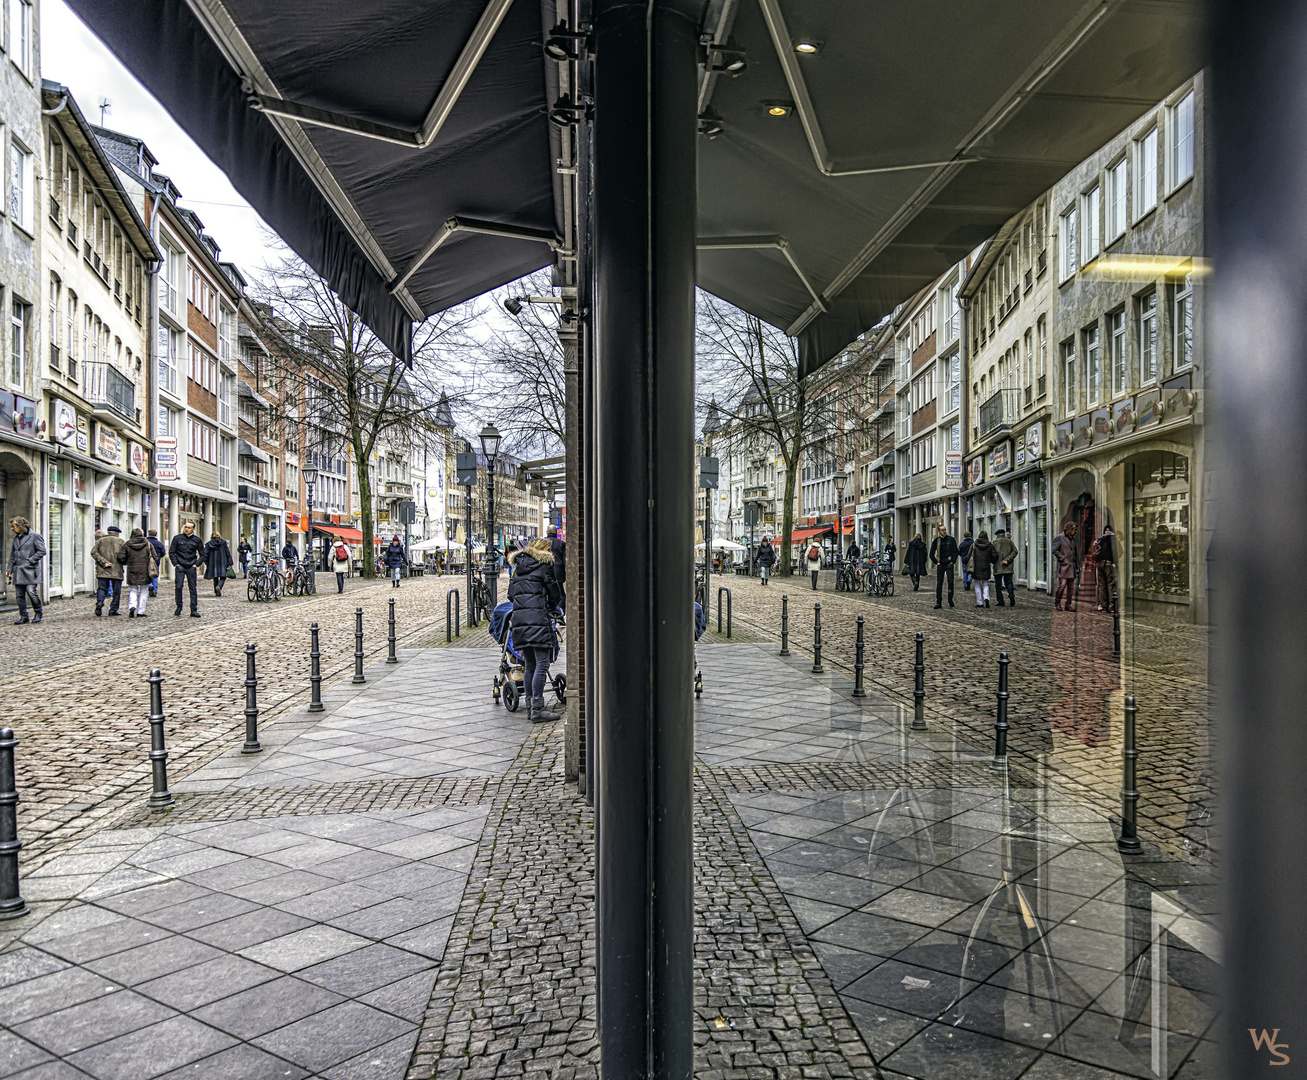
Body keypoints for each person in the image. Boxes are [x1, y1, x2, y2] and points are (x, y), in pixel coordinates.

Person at [508, 537, 563, 723]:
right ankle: (538, 709)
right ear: (544, 550)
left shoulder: (518, 568)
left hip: (520, 621)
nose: (552, 553)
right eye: (550, 549)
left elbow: (510, 595)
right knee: (543, 663)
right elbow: (555, 594)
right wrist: (552, 605)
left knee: (530, 664)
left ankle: (531, 709)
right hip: (538, 619)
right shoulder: (544, 566)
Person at [6, 516, 45, 625]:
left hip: (30, 570)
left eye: (13, 526)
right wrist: (9, 569)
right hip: (18, 570)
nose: (12, 529)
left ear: (21, 526)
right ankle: (24, 616)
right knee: (19, 595)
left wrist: (30, 560)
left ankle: (38, 613)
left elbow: (42, 551)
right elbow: (12, 555)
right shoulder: (15, 539)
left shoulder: (35, 536)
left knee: (31, 592)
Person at [169, 520, 204, 617]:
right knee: (178, 587)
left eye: (189, 528)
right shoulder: (177, 538)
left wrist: (196, 564)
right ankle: (179, 607)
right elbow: (172, 552)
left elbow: (203, 554)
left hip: (191, 566)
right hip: (180, 566)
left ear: (193, 529)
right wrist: (176, 564)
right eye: (186, 527)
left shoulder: (197, 540)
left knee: (193, 589)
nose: (187, 529)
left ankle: (193, 609)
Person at [118, 528, 156, 617]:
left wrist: (127, 562)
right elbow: (155, 557)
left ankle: (132, 606)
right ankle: (140, 611)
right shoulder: (148, 544)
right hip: (145, 570)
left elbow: (121, 557)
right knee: (144, 590)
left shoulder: (127, 544)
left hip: (132, 569)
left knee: (133, 590)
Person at [91, 525, 126, 617]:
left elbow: (93, 552)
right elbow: (124, 555)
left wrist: (104, 562)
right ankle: (113, 609)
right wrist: (123, 562)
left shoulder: (100, 541)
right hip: (117, 570)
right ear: (117, 533)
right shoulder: (121, 542)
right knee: (116, 591)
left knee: (102, 588)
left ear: (108, 532)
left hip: (103, 569)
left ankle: (99, 602)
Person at [929, 524, 958, 609]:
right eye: (942, 530)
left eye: (945, 530)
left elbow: (955, 551)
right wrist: (936, 562)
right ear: (939, 531)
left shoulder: (951, 540)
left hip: (949, 563)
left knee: (950, 582)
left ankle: (950, 599)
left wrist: (953, 561)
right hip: (940, 563)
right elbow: (931, 554)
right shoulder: (936, 541)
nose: (944, 531)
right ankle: (939, 602)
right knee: (939, 583)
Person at [1053, 521, 1079, 611]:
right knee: (1062, 585)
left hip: (1072, 566)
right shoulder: (1059, 538)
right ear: (1069, 529)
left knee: (1071, 587)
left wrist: (1078, 565)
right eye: (1074, 530)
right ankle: (1057, 602)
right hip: (1063, 566)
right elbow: (1054, 550)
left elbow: (1076, 553)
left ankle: (1068, 605)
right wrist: (1063, 558)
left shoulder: (1073, 540)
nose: (1076, 532)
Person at [968, 531, 996, 607]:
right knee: (985, 583)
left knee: (977, 584)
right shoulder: (990, 545)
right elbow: (994, 555)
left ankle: (979, 602)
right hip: (986, 566)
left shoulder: (974, 545)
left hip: (976, 566)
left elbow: (969, 555)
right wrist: (991, 560)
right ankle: (986, 597)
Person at [1094, 522, 1117, 611]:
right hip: (1108, 563)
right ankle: (1111, 605)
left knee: (1102, 584)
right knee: (1110, 584)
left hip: (1099, 563)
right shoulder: (1112, 538)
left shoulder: (1101, 539)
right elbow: (1114, 551)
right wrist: (1114, 562)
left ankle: (1103, 605)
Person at [992, 528, 1018, 607]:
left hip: (997, 566)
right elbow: (1015, 551)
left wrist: (993, 561)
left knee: (998, 585)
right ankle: (1011, 595)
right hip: (1008, 566)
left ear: (997, 535)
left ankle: (1000, 601)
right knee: (1009, 582)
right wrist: (1008, 560)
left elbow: (992, 554)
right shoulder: (1009, 542)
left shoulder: (994, 543)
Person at [204, 531, 234, 596]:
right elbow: (227, 553)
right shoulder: (223, 543)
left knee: (215, 577)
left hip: (213, 562)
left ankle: (216, 590)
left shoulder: (208, 544)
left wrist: (207, 563)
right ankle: (219, 586)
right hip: (222, 562)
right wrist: (229, 562)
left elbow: (205, 554)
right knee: (223, 576)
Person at [548, 525, 566, 612]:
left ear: (547, 532)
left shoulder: (543, 543)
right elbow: (565, 559)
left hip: (546, 570)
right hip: (558, 571)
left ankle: (549, 611)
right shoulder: (561, 543)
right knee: (561, 593)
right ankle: (560, 613)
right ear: (556, 532)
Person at [146, 529, 166, 596]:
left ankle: (149, 585)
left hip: (146, 562)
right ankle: (154, 590)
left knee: (147, 575)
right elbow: (163, 553)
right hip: (155, 562)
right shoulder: (158, 543)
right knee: (155, 576)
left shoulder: (145, 542)